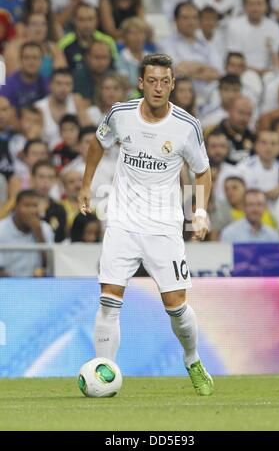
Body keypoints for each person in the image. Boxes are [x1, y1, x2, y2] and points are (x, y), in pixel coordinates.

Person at [78, 53, 214, 396]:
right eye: (151, 81)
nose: (157, 87)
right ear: (141, 83)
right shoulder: (121, 114)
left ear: (172, 85)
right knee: (109, 298)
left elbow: (202, 171)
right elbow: (98, 143)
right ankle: (104, 371)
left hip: (164, 227)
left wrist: (200, 211)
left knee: (177, 306)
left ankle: (192, 359)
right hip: (122, 221)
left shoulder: (186, 125)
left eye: (164, 81)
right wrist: (85, 185)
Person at [227, 0, 279, 75]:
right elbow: (234, 60)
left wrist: (272, 50)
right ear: (245, 6)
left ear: (266, 6)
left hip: (270, 72)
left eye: (259, 4)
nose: (255, 8)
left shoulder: (275, 27)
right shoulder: (235, 26)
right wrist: (259, 72)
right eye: (251, 4)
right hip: (244, 72)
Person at [0, 189, 54, 277]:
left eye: (35, 206)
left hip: (37, 285)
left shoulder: (45, 228)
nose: (32, 211)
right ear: (16, 207)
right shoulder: (1, 229)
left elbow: (51, 265)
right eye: (27, 206)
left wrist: (39, 234)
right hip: (6, 285)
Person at [35, 68, 90, 149]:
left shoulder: (76, 100)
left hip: (74, 152)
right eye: (59, 83)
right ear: (50, 85)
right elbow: (35, 138)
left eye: (68, 84)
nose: (64, 88)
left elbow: (88, 129)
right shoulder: (39, 107)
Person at [59, 3, 117, 72]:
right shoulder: (64, 43)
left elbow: (114, 68)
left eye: (90, 19)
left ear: (97, 20)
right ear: (74, 21)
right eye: (81, 19)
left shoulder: (108, 41)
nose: (86, 24)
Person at [0, 42, 49, 111]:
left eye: (35, 58)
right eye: (26, 58)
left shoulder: (47, 84)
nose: (31, 62)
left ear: (42, 61)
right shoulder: (8, 85)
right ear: (20, 60)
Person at [31, 160, 67, 242]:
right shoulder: (24, 205)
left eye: (50, 177)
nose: (45, 182)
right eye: (41, 177)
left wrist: (42, 214)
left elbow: (60, 238)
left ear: (55, 180)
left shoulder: (59, 209)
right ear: (33, 178)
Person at [73, 40, 114, 104]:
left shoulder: (115, 76)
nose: (101, 62)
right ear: (88, 58)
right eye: (97, 57)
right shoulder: (78, 77)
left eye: (105, 57)